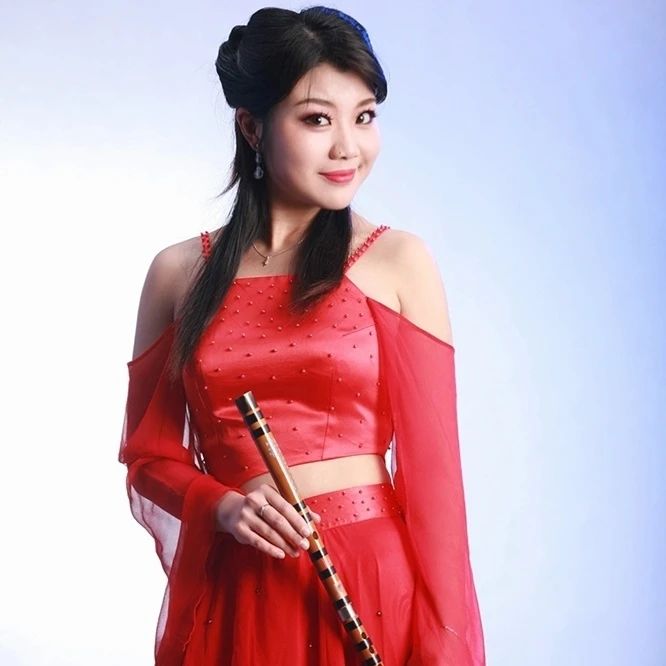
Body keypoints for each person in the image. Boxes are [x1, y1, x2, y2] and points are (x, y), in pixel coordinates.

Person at [119, 6, 485, 665]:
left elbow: (437, 486)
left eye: (364, 117)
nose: (348, 147)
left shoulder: (397, 261)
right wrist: (221, 506)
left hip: (371, 579)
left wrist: (444, 645)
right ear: (252, 127)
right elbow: (148, 457)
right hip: (241, 584)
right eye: (318, 119)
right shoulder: (178, 273)